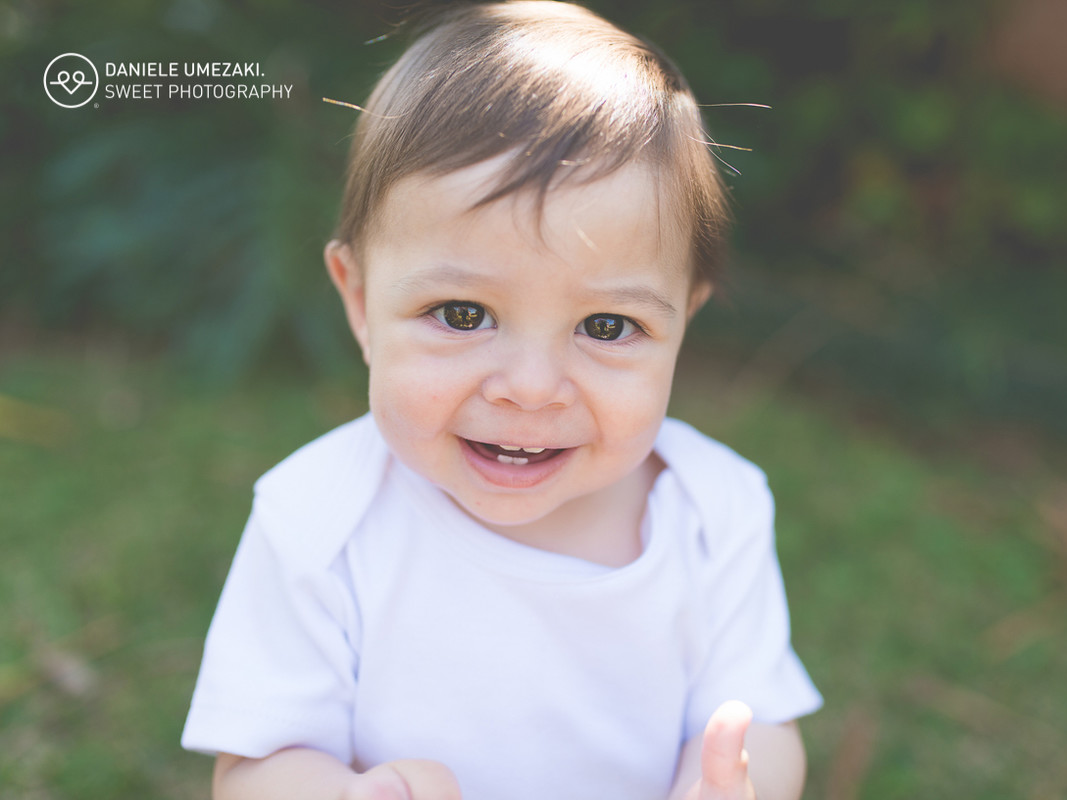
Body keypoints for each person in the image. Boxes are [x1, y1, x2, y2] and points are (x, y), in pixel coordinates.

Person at [181, 2, 822, 798]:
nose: (529, 386)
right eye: (461, 315)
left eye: (607, 325)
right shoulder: (318, 520)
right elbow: (258, 764)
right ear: (360, 301)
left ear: (681, 320)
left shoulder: (715, 510)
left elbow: (758, 718)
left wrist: (726, 782)